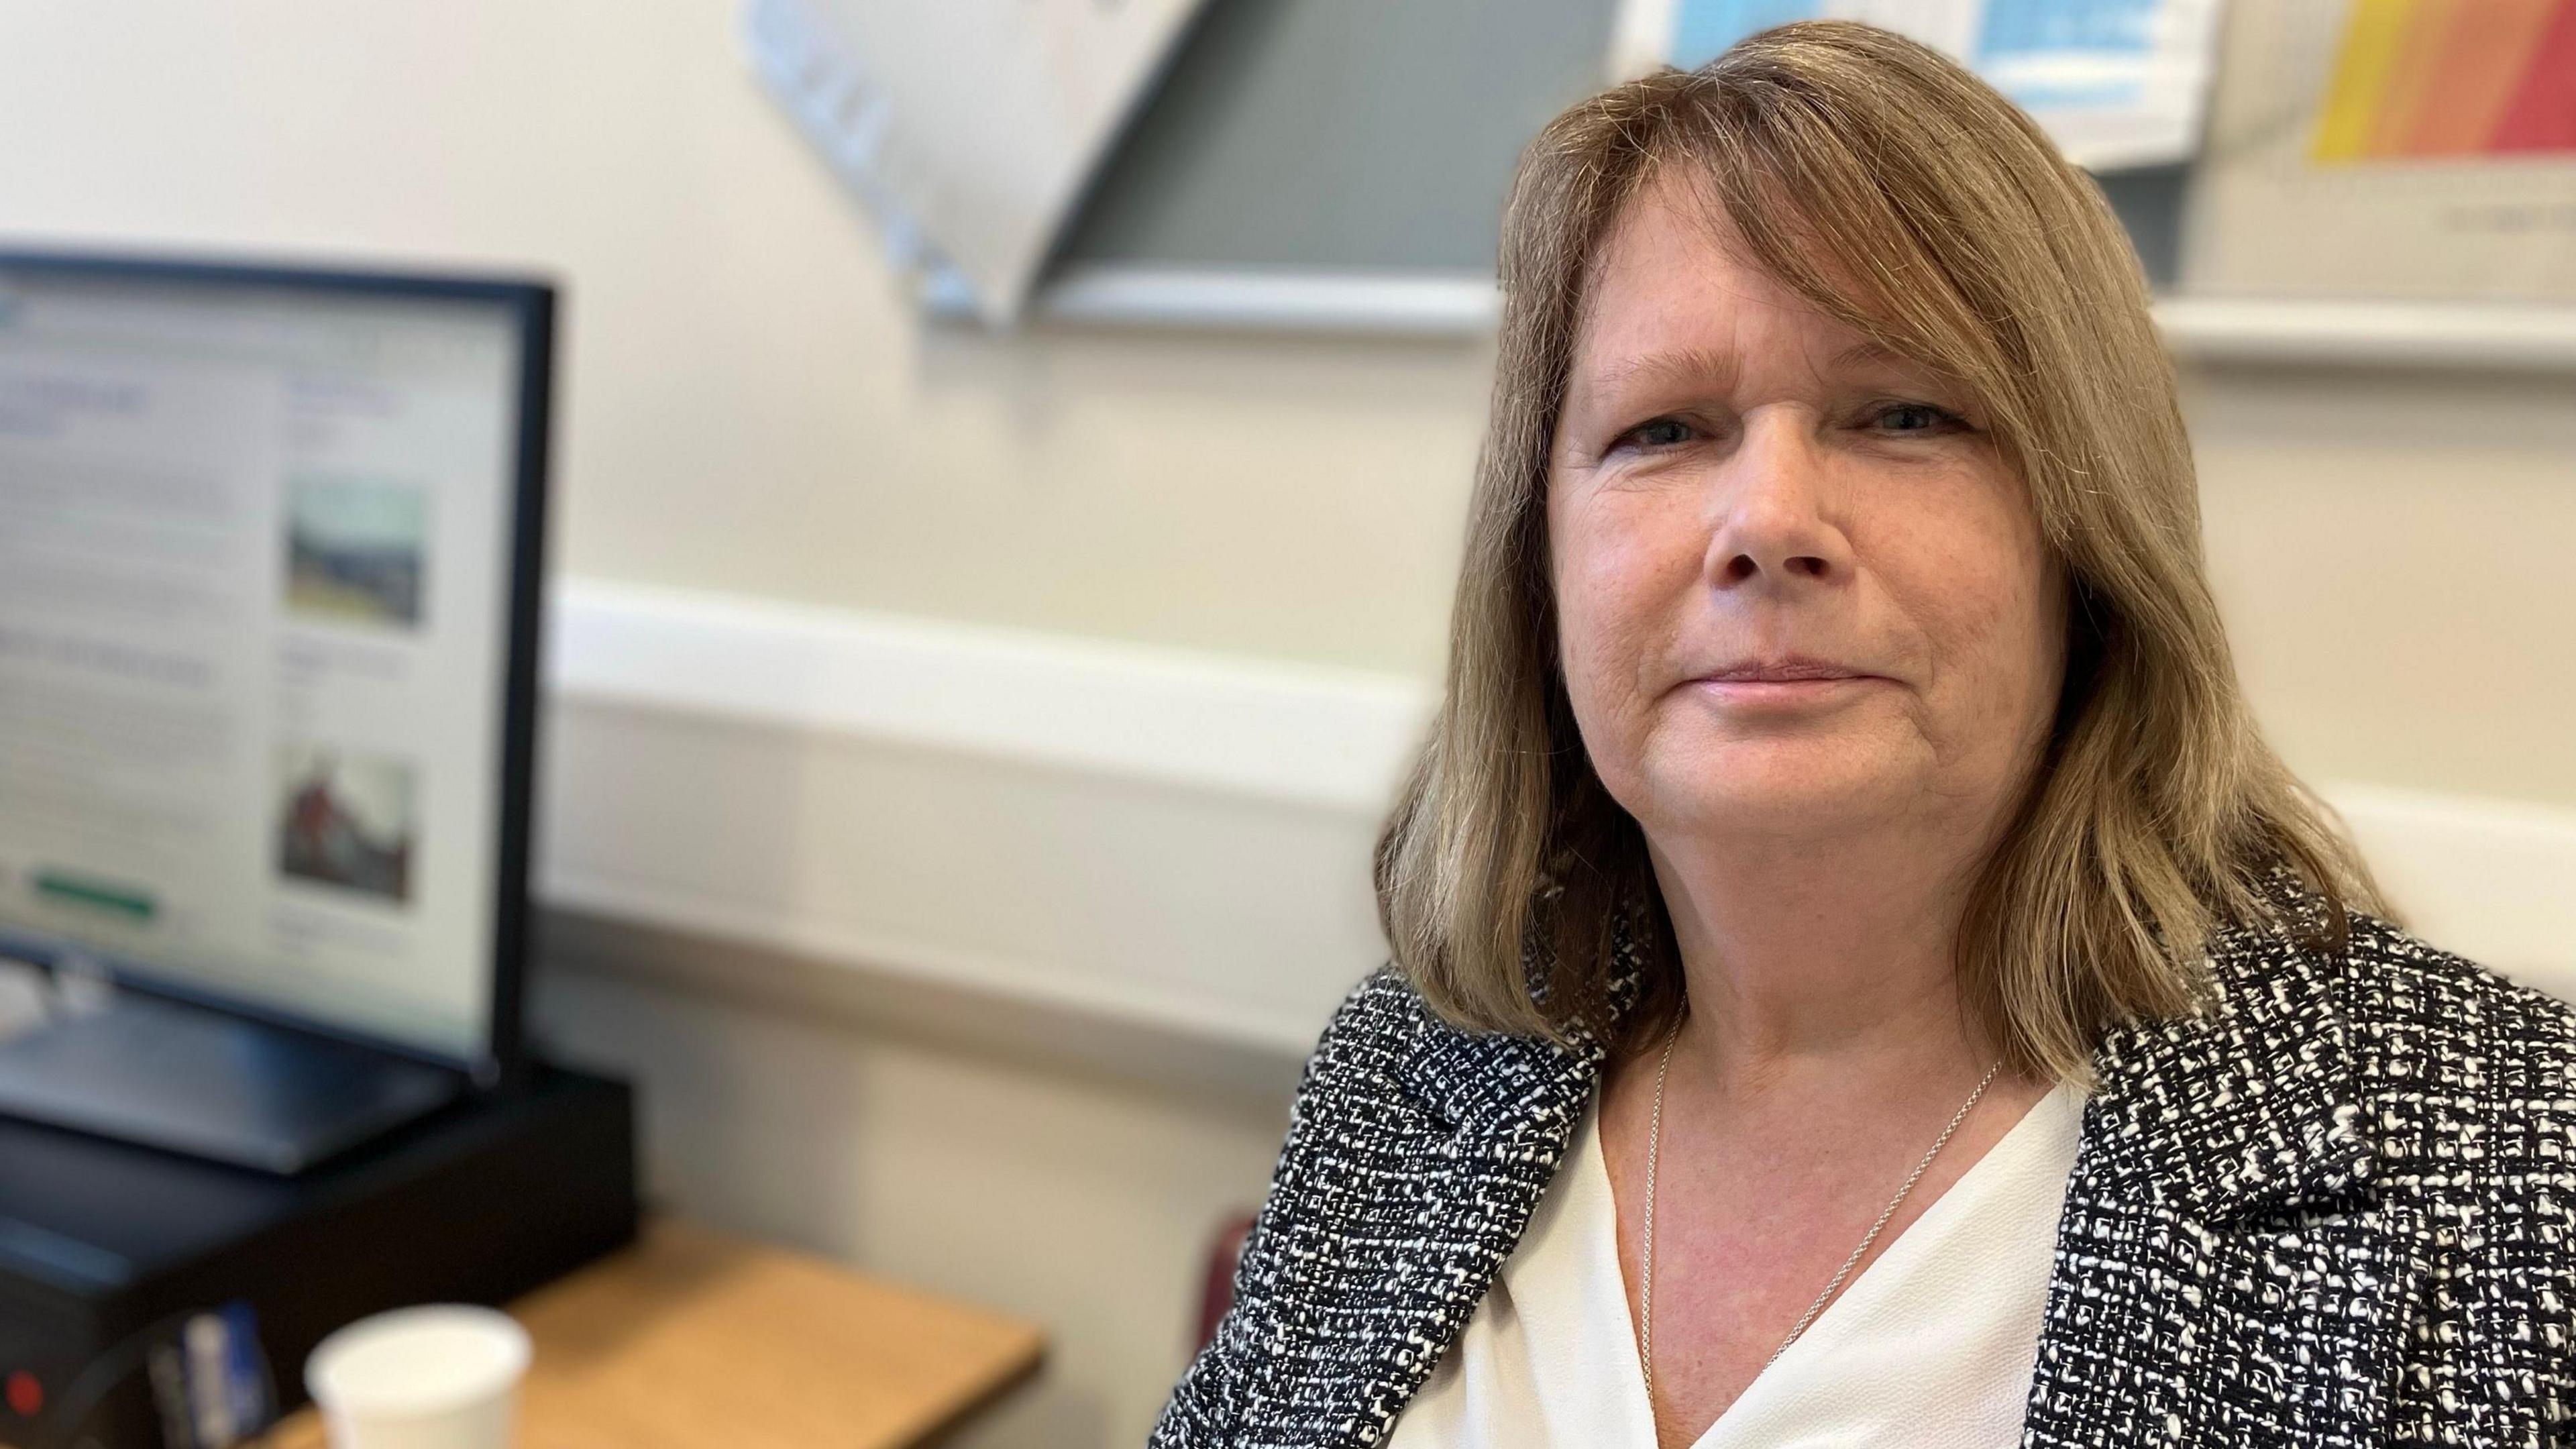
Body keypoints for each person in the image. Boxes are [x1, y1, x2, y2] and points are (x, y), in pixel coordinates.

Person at [1152, 21, 2576, 1449]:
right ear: (1543, 569)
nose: (1768, 521)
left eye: (1904, 413)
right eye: (1662, 429)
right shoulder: (1411, 1070)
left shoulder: (2509, 1175)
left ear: (2084, 549)